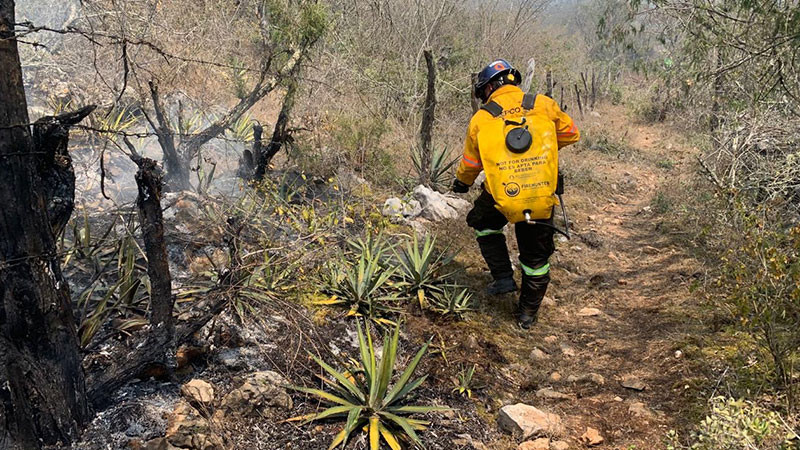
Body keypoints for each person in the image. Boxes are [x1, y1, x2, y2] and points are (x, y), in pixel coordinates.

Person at [452, 59, 580, 329]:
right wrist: (541, 151)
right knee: (535, 257)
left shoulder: (482, 118)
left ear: (487, 88)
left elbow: (472, 163)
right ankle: (526, 315)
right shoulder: (542, 103)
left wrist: (462, 183)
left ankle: (502, 278)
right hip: (540, 191)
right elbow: (570, 134)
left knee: (482, 222)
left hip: (500, 192)